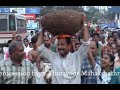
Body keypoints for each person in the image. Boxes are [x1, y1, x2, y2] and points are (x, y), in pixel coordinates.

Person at [36, 14, 90, 84]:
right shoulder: (52, 57)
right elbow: (39, 46)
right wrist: (43, 29)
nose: (59, 47)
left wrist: (84, 23)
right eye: (58, 45)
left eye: (62, 45)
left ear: (69, 46)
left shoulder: (77, 56)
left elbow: (86, 43)